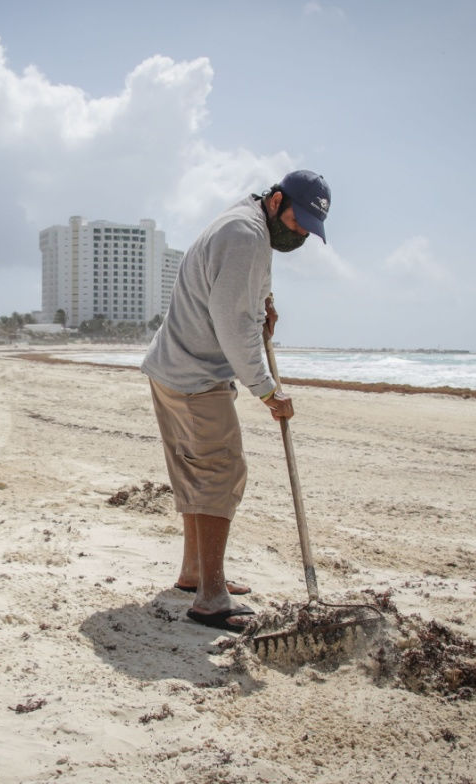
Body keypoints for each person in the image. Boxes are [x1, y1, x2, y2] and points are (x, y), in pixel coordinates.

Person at [141, 169, 331, 633]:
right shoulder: (247, 234)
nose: (302, 231)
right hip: (195, 376)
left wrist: (262, 309)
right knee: (220, 474)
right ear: (277, 200)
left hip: (174, 366)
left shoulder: (248, 225)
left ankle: (193, 574)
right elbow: (231, 325)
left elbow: (239, 303)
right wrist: (268, 390)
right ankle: (210, 598)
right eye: (299, 219)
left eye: (309, 225)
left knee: (195, 471)